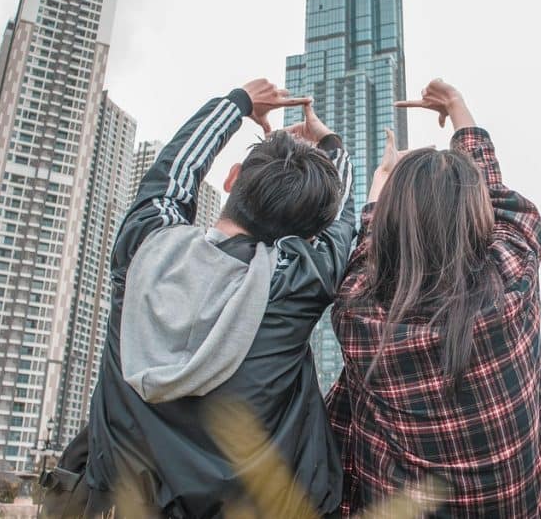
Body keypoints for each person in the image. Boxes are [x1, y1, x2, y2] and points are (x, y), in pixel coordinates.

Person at [42, 78, 355, 518]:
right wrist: (331, 145)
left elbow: (173, 171)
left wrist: (238, 103)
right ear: (307, 233)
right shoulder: (300, 281)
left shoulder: (144, 248)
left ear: (232, 178)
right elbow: (343, 218)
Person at [326, 78, 541, 517]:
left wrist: (382, 181)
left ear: (389, 226)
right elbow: (499, 198)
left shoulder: (359, 318)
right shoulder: (514, 278)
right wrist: (456, 106)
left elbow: (364, 249)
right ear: (478, 216)